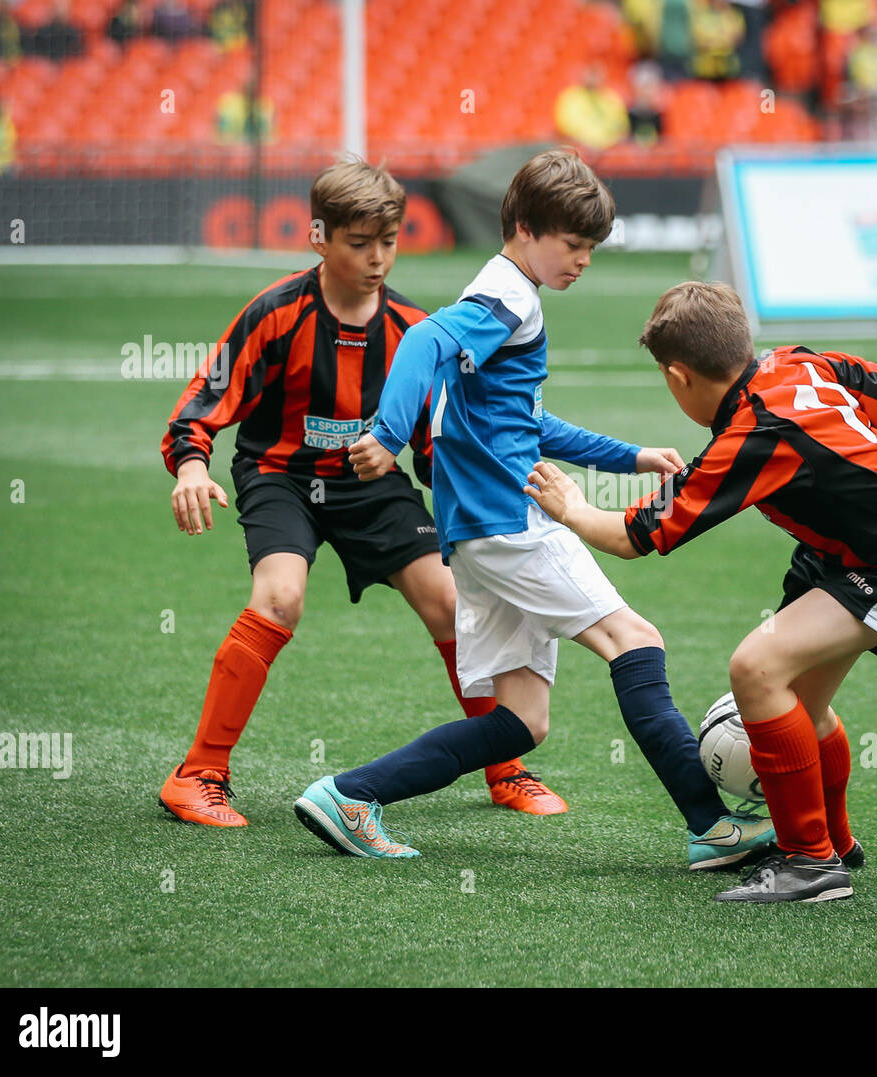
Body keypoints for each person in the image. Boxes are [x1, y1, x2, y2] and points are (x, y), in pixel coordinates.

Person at [294, 149, 774, 870]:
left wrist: (630, 454)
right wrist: (388, 435)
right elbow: (422, 339)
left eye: (590, 248)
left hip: (476, 533)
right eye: (572, 243)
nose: (582, 260)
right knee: (635, 640)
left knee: (523, 721)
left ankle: (349, 795)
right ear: (524, 227)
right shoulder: (510, 298)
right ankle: (710, 825)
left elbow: (524, 422)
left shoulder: (503, 292)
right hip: (508, 523)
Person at [159, 156, 568, 833]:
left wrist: (493, 498)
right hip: (281, 477)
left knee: (447, 598)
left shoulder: (414, 329)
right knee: (280, 596)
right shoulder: (275, 313)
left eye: (390, 240)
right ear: (318, 237)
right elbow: (203, 403)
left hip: (372, 487)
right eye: (359, 242)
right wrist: (191, 468)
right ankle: (198, 773)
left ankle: (505, 766)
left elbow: (438, 444)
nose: (377, 258)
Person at [525, 282, 877, 903]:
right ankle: (833, 844)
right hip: (844, 549)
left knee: (755, 669)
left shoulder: (751, 436)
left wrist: (572, 506)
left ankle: (808, 863)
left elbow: (634, 536)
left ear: (678, 376)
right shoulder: (799, 362)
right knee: (803, 704)